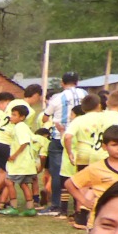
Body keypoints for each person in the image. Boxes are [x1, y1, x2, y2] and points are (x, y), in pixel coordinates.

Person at [43, 72, 88, 215]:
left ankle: (57, 204)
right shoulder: (85, 95)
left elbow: (45, 116)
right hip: (82, 137)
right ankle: (79, 203)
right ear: (77, 82)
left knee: (58, 172)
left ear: (62, 83)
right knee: (80, 172)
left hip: (60, 136)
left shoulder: (58, 98)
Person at [3, 103, 42, 212]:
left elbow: (24, 143)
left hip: (20, 163)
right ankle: (30, 208)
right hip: (27, 164)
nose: (11, 117)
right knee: (24, 184)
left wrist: (14, 156)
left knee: (9, 182)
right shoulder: (24, 127)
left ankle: (13, 207)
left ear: (22, 117)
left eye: (14, 115)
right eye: (12, 114)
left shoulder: (19, 127)